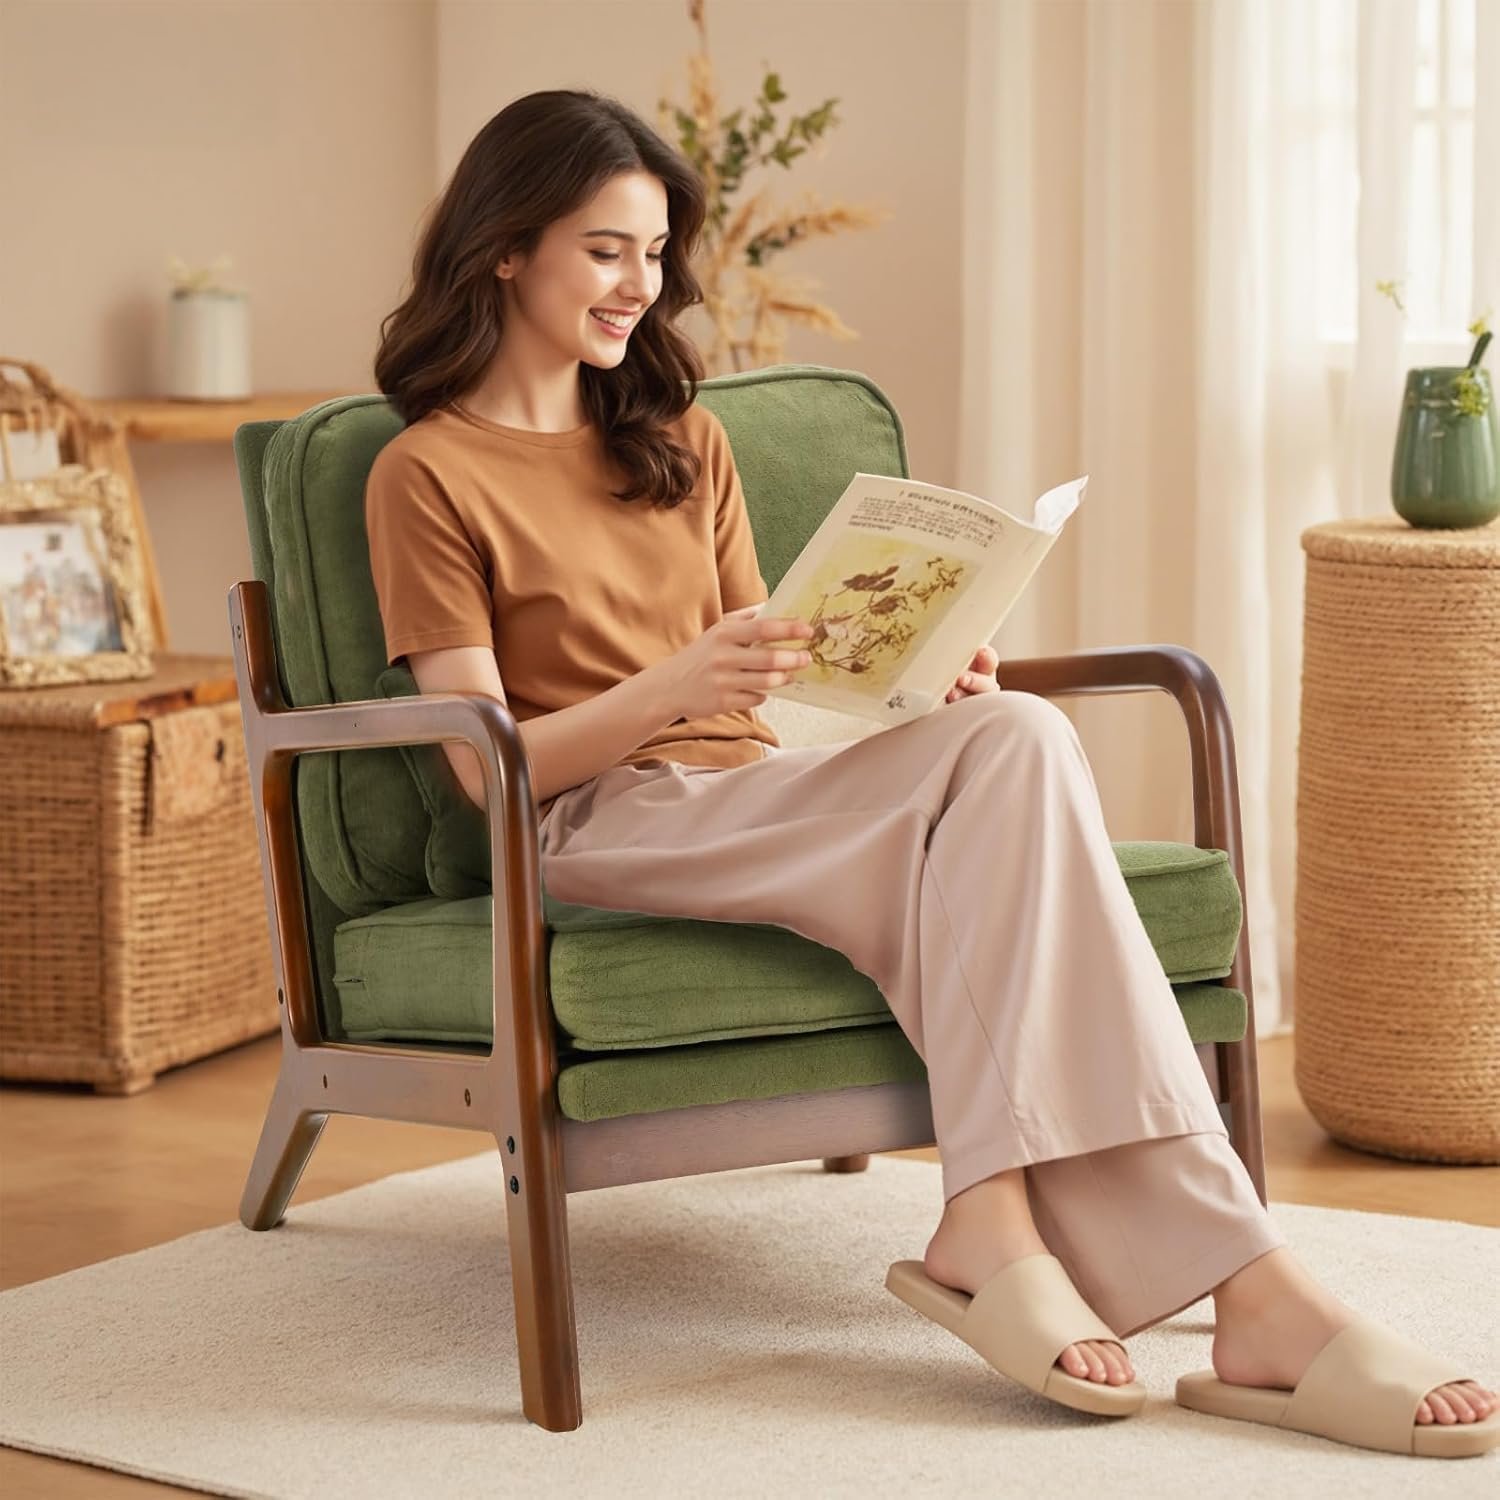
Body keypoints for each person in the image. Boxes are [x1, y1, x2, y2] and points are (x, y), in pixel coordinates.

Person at [364, 89, 1496, 1457]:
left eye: (655, 255)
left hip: (751, 790)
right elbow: (489, 776)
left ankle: (1003, 1223)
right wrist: (672, 686)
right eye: (607, 250)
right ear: (505, 247)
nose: (639, 286)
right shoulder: (426, 471)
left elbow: (773, 699)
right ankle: (1246, 1293)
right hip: (595, 819)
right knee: (1017, 748)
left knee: (1000, 728)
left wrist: (913, 684)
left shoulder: (684, 441)